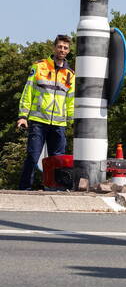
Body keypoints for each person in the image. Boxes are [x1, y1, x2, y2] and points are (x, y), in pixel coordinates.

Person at [17, 35, 75, 190]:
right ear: (54, 48)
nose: (62, 50)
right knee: (32, 156)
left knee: (58, 160)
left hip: (59, 124)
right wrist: (23, 116)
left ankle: (56, 188)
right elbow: (27, 91)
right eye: (60, 46)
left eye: (65, 48)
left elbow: (71, 100)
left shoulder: (70, 74)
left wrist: (71, 121)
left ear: (68, 51)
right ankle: (24, 188)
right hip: (38, 121)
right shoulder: (39, 66)